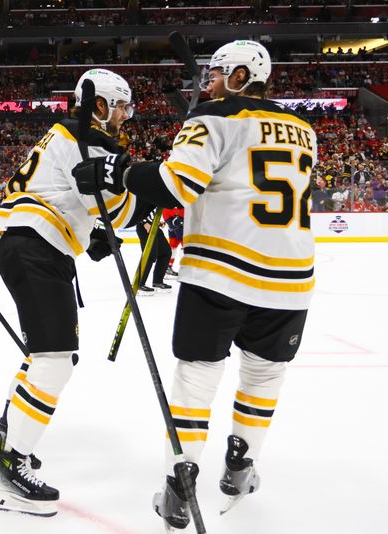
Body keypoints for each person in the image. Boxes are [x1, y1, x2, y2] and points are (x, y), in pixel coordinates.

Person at [73, 40, 317, 530]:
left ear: (242, 76)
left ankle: (178, 486)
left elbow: (174, 185)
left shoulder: (212, 118)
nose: (206, 81)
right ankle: (240, 469)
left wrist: (117, 170)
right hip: (291, 279)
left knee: (196, 379)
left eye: (217, 73)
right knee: (264, 378)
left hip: (222, 271)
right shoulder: (304, 128)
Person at [0, 68, 148, 517]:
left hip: (30, 243)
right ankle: (9, 470)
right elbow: (114, 205)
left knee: (43, 357)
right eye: (120, 107)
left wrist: (93, 235)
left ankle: (4, 440)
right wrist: (151, 195)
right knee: (55, 360)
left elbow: (77, 201)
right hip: (35, 247)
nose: (124, 117)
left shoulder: (68, 135)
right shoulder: (88, 138)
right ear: (98, 105)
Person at [135, 209, 173, 295]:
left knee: (166, 252)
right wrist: (144, 223)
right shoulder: (145, 195)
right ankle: (138, 285)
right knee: (149, 255)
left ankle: (157, 282)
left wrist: (157, 222)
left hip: (154, 226)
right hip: (144, 227)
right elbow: (137, 211)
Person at [162, 207, 185, 279]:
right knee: (184, 246)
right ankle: (184, 268)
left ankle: (167, 267)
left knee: (173, 246)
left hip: (174, 224)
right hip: (178, 225)